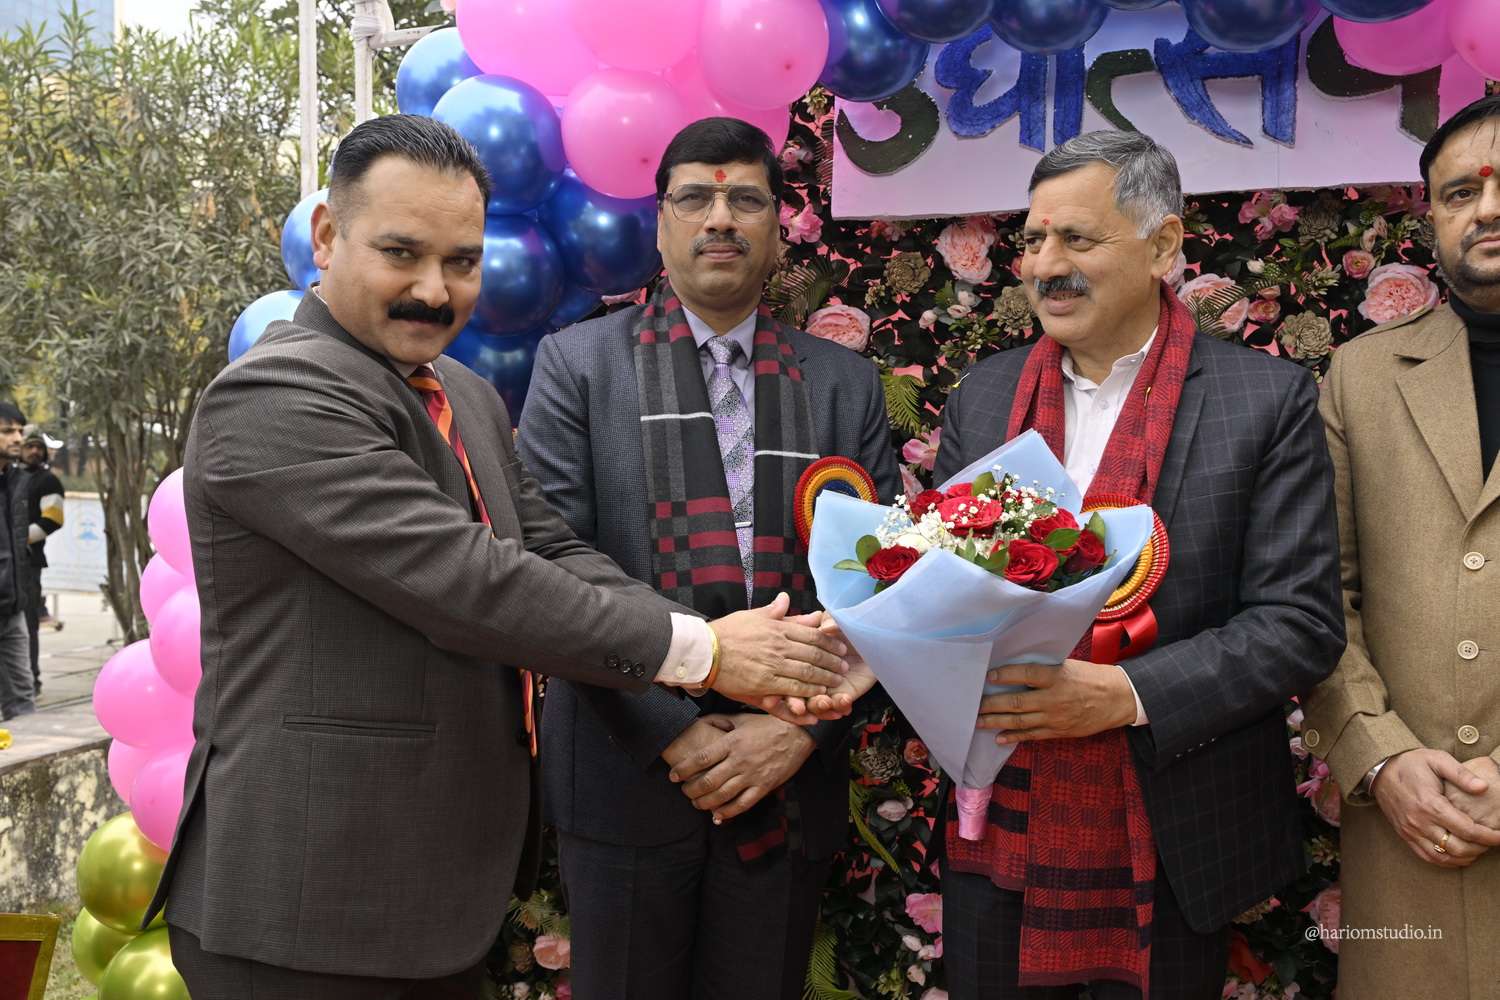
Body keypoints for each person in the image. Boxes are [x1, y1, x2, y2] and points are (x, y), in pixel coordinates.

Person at [143, 114, 852, 1000]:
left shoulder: (464, 395)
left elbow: (550, 547)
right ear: (326, 236)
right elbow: (471, 582)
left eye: (462, 262)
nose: (433, 291)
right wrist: (708, 652)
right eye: (401, 253)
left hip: (426, 891)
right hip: (307, 900)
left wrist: (739, 654)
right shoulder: (277, 392)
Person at [929, 130, 1345, 999]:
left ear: (1163, 246)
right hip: (996, 820)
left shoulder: (1262, 401)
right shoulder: (985, 396)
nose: (1046, 265)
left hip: (1174, 830)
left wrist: (1124, 695)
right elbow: (941, 591)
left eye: (1077, 239)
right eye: (1033, 240)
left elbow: (1299, 624)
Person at [517, 117, 900, 1000]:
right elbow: (552, 566)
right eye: (694, 198)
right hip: (624, 770)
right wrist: (678, 730)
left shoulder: (843, 384)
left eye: (746, 201)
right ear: (661, 225)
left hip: (785, 773)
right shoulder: (578, 367)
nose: (720, 218)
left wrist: (797, 734)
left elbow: (884, 583)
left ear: (777, 229)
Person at [1302, 93, 1500, 1000]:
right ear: (1433, 220)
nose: (1487, 209)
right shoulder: (1363, 375)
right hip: (1411, 833)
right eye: (1461, 193)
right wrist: (1379, 757)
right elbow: (1317, 596)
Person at [21, 425, 64, 695]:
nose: (35, 451)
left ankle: (30, 681)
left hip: (27, 563)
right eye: (30, 446)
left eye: (39, 447)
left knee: (26, 623)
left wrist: (15, 540)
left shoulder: (48, 481)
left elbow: (53, 520)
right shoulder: (10, 478)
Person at [0, 402, 35, 721]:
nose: (18, 438)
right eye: (8, 431)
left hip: (13, 608)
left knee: (23, 701)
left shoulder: (17, 481)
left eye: (20, 431)